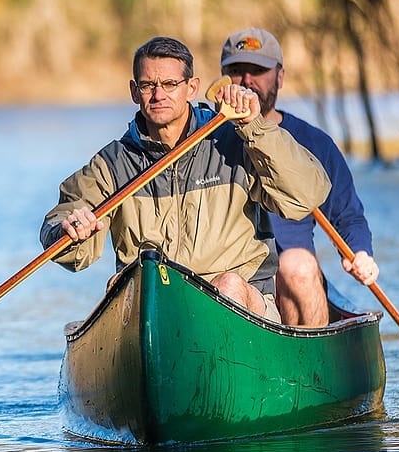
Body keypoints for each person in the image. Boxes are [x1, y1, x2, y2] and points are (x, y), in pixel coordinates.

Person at [40, 36, 331, 323]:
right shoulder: (111, 163)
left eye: (169, 84)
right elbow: (62, 225)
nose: (158, 95)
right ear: (133, 91)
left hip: (242, 302)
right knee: (121, 286)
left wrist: (254, 127)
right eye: (147, 85)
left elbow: (306, 195)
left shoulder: (237, 142)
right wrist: (69, 231)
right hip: (157, 307)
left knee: (227, 286)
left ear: (192, 88)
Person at [218, 27, 379, 327]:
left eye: (258, 70)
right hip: (234, 282)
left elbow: (348, 216)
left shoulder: (315, 143)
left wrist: (360, 253)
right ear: (222, 79)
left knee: (296, 265)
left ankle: (307, 368)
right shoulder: (207, 140)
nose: (246, 81)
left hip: (292, 282)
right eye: (236, 71)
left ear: (279, 77)